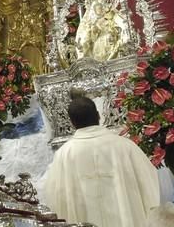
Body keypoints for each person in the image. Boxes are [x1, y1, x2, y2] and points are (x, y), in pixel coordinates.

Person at [44, 93, 160, 227]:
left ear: (72, 122)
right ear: (99, 115)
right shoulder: (124, 146)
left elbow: (56, 199)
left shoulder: (64, 155)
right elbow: (148, 183)